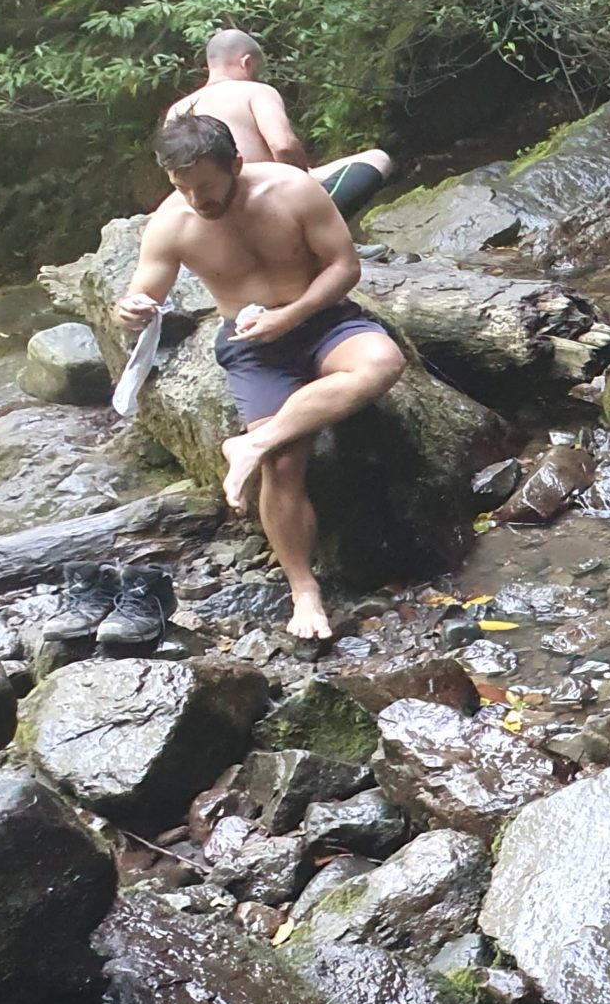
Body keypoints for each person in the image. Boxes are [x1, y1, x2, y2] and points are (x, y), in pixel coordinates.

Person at [115, 113, 405, 641]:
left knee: (383, 362)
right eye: (181, 187)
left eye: (205, 186)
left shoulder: (292, 189)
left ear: (236, 165)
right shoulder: (171, 222)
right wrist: (131, 310)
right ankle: (304, 591)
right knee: (284, 462)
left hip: (322, 320)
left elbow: (344, 266)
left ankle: (249, 445)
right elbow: (144, 294)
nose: (195, 199)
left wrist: (290, 316)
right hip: (253, 348)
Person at [164, 28, 395, 217]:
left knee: (315, 173)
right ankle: (323, 231)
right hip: (265, 201)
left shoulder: (178, 108)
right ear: (247, 62)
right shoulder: (256, 91)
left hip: (213, 206)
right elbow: (283, 145)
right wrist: (303, 185)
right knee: (378, 158)